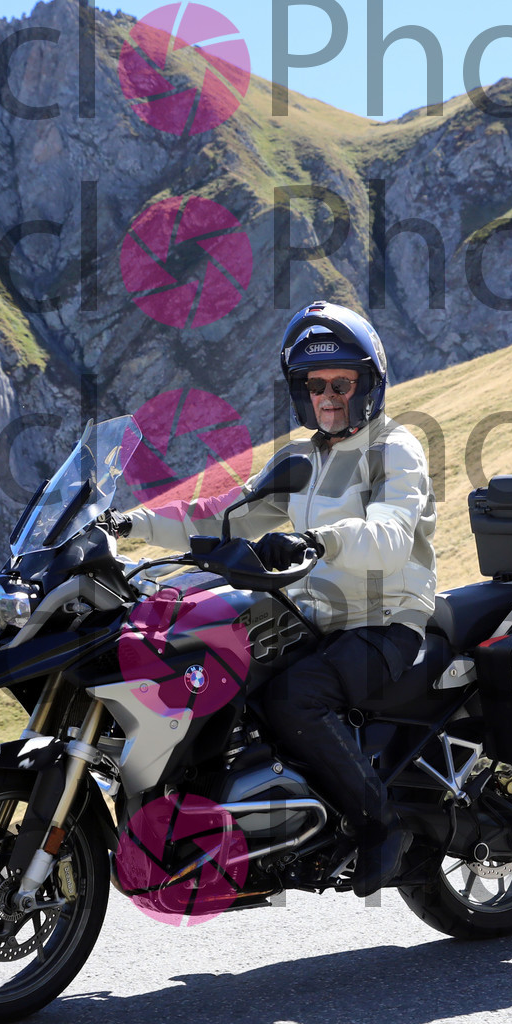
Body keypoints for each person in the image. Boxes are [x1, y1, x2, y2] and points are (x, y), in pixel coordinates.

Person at [107, 300, 438, 896]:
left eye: (341, 383)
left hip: (385, 622)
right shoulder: (303, 460)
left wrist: (318, 540)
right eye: (315, 385)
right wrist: (129, 524)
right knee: (220, 675)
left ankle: (379, 826)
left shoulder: (395, 449)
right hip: (313, 620)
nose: (328, 397)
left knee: (294, 698)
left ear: (369, 383)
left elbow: (390, 536)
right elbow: (218, 517)